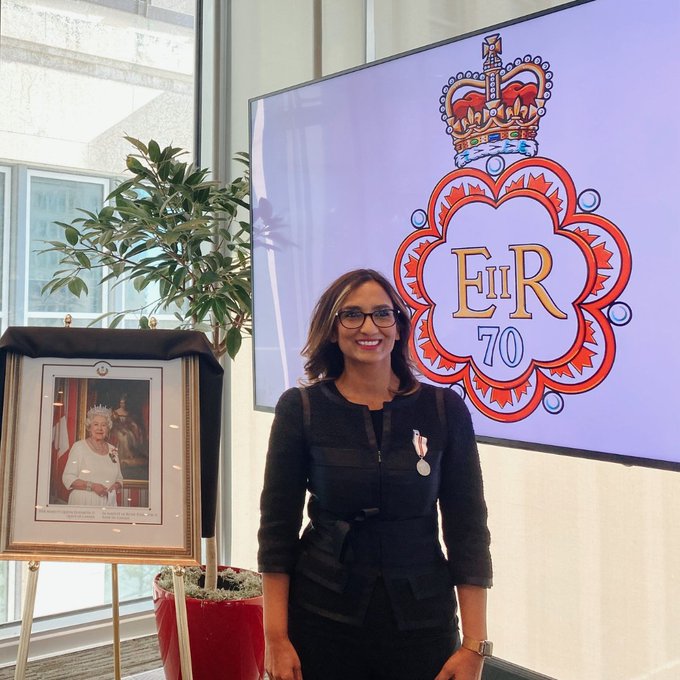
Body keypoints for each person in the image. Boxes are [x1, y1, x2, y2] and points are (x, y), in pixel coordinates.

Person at [258, 269, 492, 680]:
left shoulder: (443, 409)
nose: (369, 327)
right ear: (333, 329)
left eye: (382, 314)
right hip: (322, 617)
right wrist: (275, 638)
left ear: (399, 327)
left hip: (423, 622)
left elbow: (467, 530)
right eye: (352, 315)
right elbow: (277, 532)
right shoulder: (302, 409)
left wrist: (475, 644)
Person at [62, 404, 124, 506]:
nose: (100, 428)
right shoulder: (79, 447)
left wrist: (116, 486)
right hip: (83, 501)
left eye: (103, 425)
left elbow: (119, 478)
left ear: (108, 428)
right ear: (89, 427)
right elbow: (68, 478)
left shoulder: (112, 450)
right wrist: (93, 486)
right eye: (96, 424)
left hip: (107, 502)